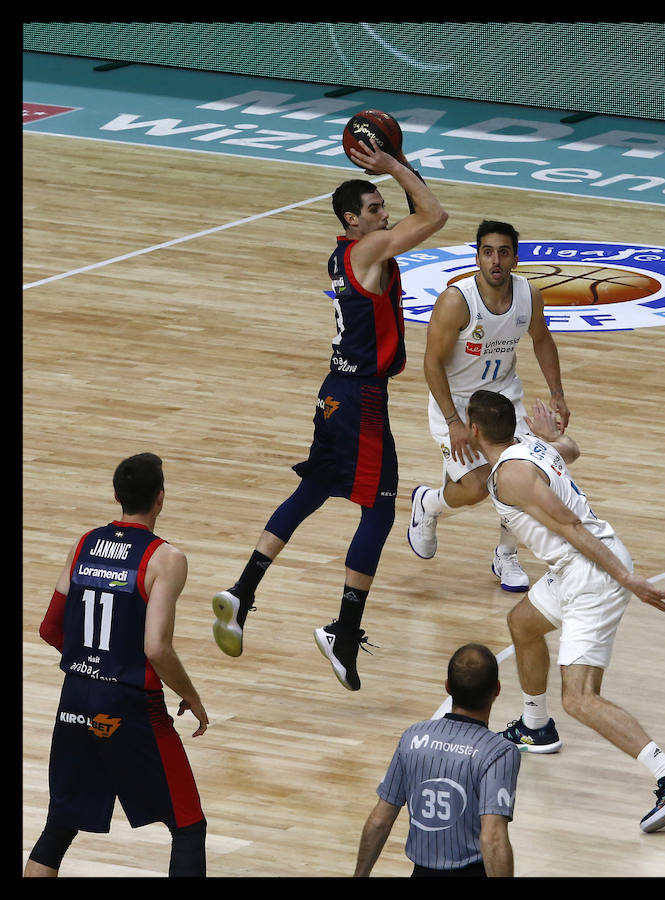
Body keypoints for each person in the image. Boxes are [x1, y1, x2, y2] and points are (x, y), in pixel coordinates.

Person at [212, 138, 447, 691]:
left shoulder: (343, 253)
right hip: (362, 398)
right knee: (380, 510)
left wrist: (396, 172)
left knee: (315, 489)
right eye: (374, 209)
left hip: (333, 392)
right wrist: (393, 164)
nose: (385, 214)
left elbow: (415, 216)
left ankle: (242, 591)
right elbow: (434, 215)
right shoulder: (369, 253)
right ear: (352, 219)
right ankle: (343, 630)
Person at [466, 390, 665, 833]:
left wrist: (625, 578)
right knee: (522, 623)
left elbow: (570, 526)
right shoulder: (529, 447)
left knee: (579, 698)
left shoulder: (511, 475)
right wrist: (553, 436)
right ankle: (535, 727)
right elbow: (570, 450)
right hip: (576, 567)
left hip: (592, 570)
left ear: (475, 429)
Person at [24, 453, 209, 878]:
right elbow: (156, 648)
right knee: (188, 826)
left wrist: (92, 666)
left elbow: (51, 628)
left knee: (58, 827)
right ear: (160, 498)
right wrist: (191, 696)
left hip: (75, 697)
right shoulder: (166, 559)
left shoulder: (84, 543)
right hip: (130, 706)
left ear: (116, 496)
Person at [407, 220, 570, 592]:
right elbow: (431, 363)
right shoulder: (456, 300)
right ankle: (428, 503)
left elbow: (542, 339)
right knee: (477, 486)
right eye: (487, 251)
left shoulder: (528, 295)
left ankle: (506, 554)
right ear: (478, 255)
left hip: (503, 399)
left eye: (504, 252)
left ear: (515, 257)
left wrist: (557, 393)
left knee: (523, 474)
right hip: (459, 403)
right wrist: (453, 421)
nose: (495, 260)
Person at [354, 644, 519, 877]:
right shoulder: (499, 752)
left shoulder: (412, 738)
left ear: (448, 687)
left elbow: (381, 819)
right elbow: (492, 837)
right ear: (497, 690)